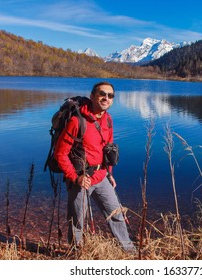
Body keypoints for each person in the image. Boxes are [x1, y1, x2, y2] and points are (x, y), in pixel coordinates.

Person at [54, 81, 134, 252]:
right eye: (102, 94)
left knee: (116, 214)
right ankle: (76, 253)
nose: (106, 98)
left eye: (110, 96)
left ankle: (129, 252)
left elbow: (108, 149)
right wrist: (76, 178)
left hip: (102, 176)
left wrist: (110, 173)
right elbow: (60, 154)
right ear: (92, 96)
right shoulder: (77, 121)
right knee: (77, 220)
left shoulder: (108, 120)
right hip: (81, 178)